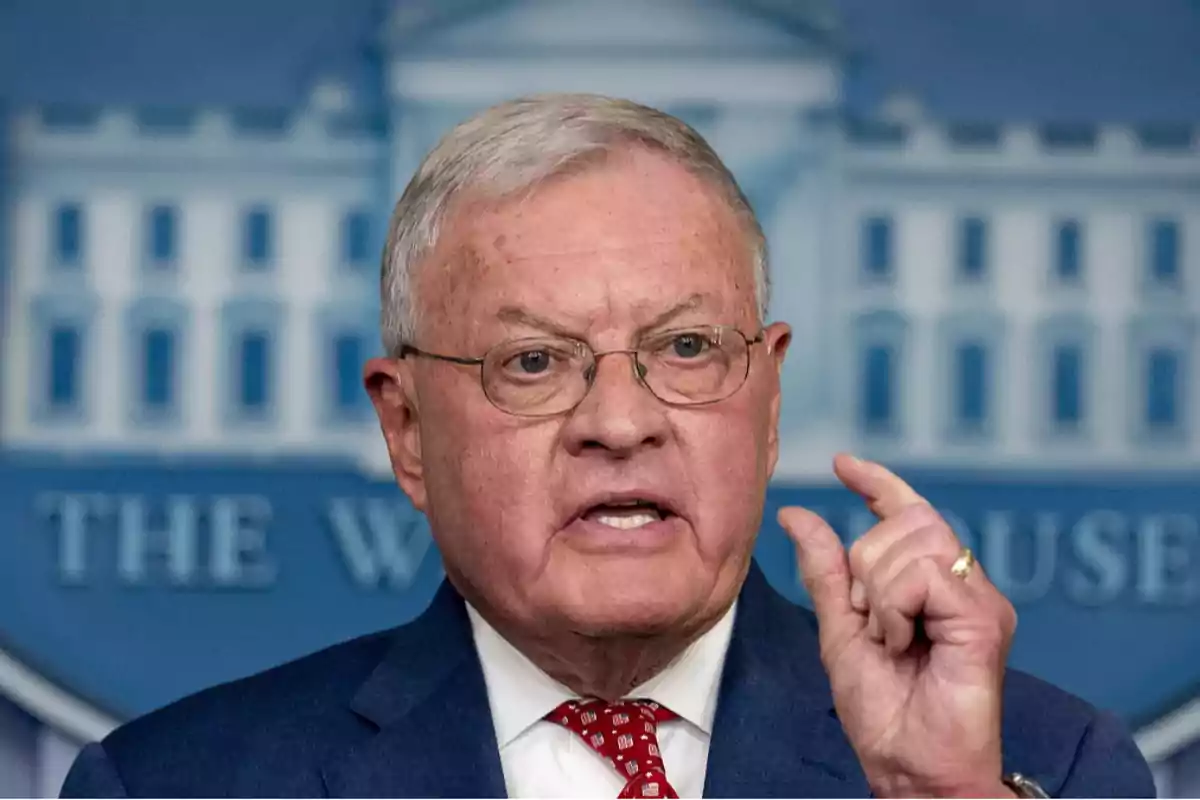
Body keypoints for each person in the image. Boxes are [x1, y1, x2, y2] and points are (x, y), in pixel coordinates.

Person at [60, 93, 1154, 799]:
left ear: (768, 401)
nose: (621, 421)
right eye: (534, 362)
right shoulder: (176, 783)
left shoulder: (1045, 768)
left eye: (685, 346)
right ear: (406, 428)